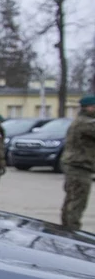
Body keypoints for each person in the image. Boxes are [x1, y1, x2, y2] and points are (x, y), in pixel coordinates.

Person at [61, 95, 95, 231]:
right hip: (79, 167)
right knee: (77, 202)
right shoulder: (85, 123)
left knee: (71, 199)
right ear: (88, 108)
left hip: (77, 166)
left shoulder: (83, 121)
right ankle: (72, 232)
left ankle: (66, 229)